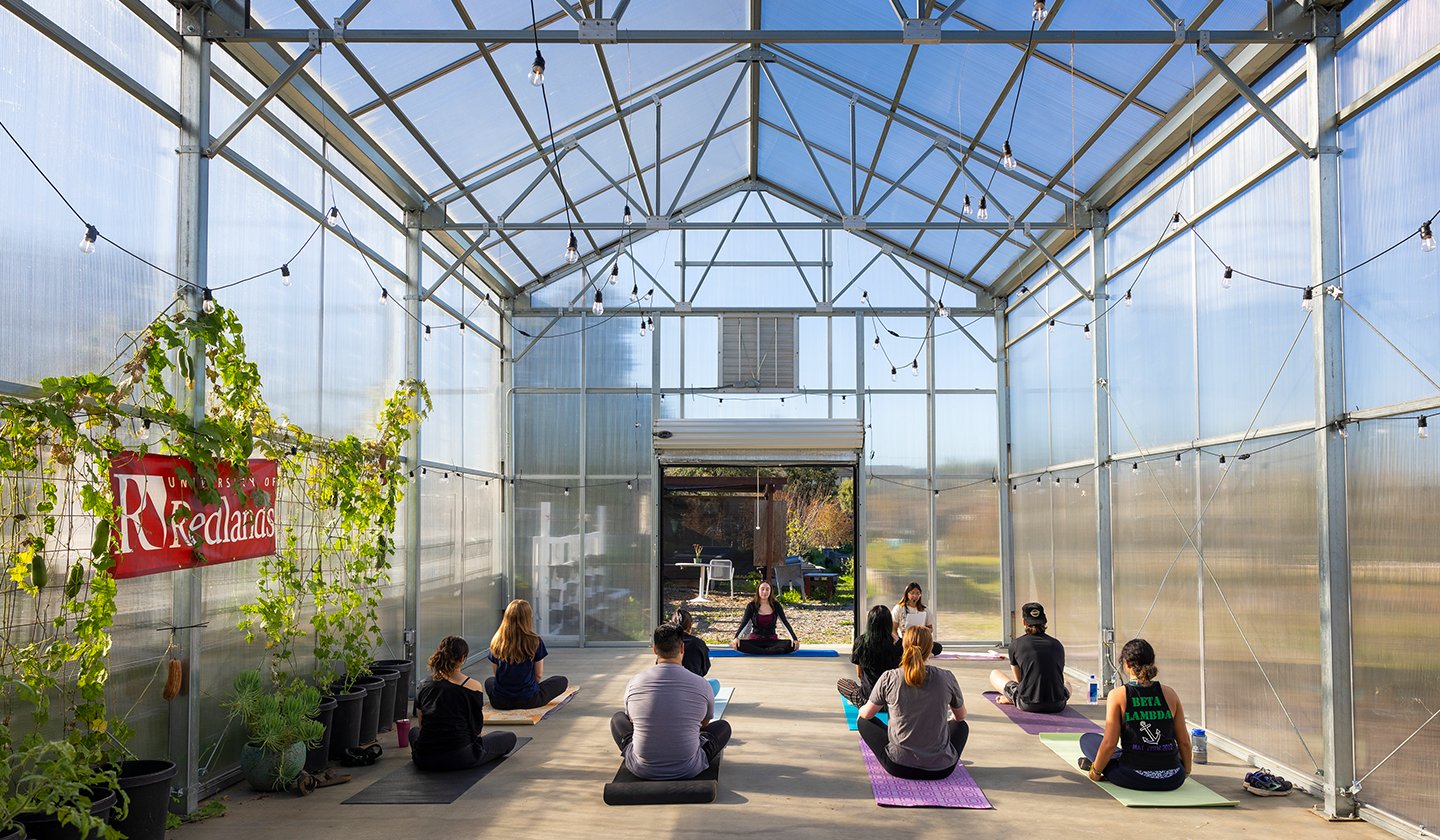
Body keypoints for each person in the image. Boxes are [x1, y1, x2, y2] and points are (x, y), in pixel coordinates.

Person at [611, 623, 732, 780]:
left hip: (642, 768)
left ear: (654, 650)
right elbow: (704, 724)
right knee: (723, 727)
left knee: (617, 719)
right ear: (682, 648)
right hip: (688, 768)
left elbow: (632, 722)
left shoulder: (635, 682)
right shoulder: (701, 684)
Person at [1078, 638, 1192, 792]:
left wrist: (1095, 773)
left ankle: (1099, 766)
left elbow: (1110, 743)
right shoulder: (1170, 694)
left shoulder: (1118, 695)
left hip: (1132, 777)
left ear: (1126, 664)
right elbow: (1184, 742)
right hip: (1172, 779)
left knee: (1088, 740)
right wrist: (1185, 772)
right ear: (1152, 661)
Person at [856, 626, 968, 780]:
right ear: (930, 649)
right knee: (961, 726)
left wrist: (861, 708)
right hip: (941, 769)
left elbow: (867, 714)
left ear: (904, 646)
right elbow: (961, 716)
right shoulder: (946, 677)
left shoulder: (890, 677)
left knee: (862, 721)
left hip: (898, 766)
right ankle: (936, 753)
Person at [410, 636, 518, 771]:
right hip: (461, 756)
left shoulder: (423, 685)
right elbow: (476, 730)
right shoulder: (472, 686)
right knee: (509, 738)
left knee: (413, 732)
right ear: (462, 659)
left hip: (425, 758)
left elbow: (421, 725)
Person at [485, 599, 568, 710]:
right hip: (529, 700)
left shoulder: (496, 640)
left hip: (500, 701)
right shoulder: (535, 641)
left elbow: (497, 673)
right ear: (528, 618)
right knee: (562, 680)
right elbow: (538, 675)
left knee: (489, 681)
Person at [988, 601, 1070, 712]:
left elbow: (1020, 680)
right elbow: (1057, 676)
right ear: (1044, 621)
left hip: (1028, 703)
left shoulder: (1016, 645)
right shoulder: (1057, 644)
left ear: (1024, 622)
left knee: (994, 674)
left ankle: (1012, 698)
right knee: (1067, 684)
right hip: (1058, 704)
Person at [837, 605, 902, 707]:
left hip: (869, 701)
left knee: (842, 683)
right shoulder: (898, 644)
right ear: (889, 623)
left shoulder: (861, 641)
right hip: (892, 701)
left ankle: (861, 700)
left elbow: (859, 674)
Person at [730, 581, 800, 655]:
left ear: (770, 591)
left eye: (767, 589)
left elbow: (784, 623)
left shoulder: (776, 605)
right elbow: (744, 623)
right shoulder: (751, 606)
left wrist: (794, 639)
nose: (765, 592)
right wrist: (736, 637)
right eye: (762, 589)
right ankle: (767, 651)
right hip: (755, 641)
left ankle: (764, 651)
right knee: (739, 645)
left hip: (772, 641)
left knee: (790, 645)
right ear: (758, 591)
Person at [892, 582, 943, 655]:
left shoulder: (924, 609)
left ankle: (915, 651)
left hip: (921, 640)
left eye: (917, 593)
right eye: (912, 593)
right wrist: (898, 641)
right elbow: (893, 629)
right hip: (905, 640)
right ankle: (915, 652)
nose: (915, 596)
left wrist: (922, 630)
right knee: (896, 649)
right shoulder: (899, 608)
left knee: (938, 648)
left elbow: (930, 628)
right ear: (907, 594)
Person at [671, 607, 711, 678]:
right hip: (693, 683)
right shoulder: (698, 644)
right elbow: (705, 668)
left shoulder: (667, 642)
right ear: (690, 625)